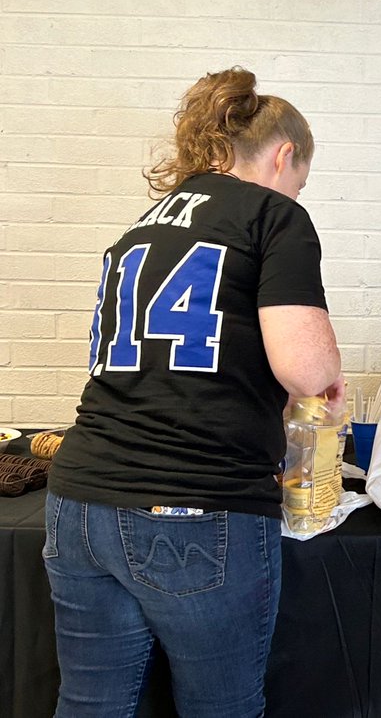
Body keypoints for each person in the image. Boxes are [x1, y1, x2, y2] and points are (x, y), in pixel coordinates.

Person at [44, 68, 344, 718]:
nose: (295, 191)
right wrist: (326, 383)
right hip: (195, 508)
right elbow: (306, 372)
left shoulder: (143, 224)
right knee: (222, 709)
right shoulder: (275, 215)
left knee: (91, 706)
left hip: (79, 501)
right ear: (285, 155)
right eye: (298, 178)